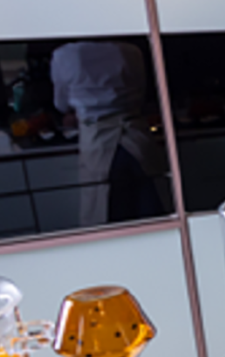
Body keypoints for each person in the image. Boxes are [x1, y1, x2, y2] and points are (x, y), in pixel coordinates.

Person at [51, 40, 168, 226]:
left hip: (99, 144)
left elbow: (61, 104)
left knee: (108, 221)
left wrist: (78, 109)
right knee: (154, 220)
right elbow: (141, 93)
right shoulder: (131, 51)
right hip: (137, 139)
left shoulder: (64, 55)